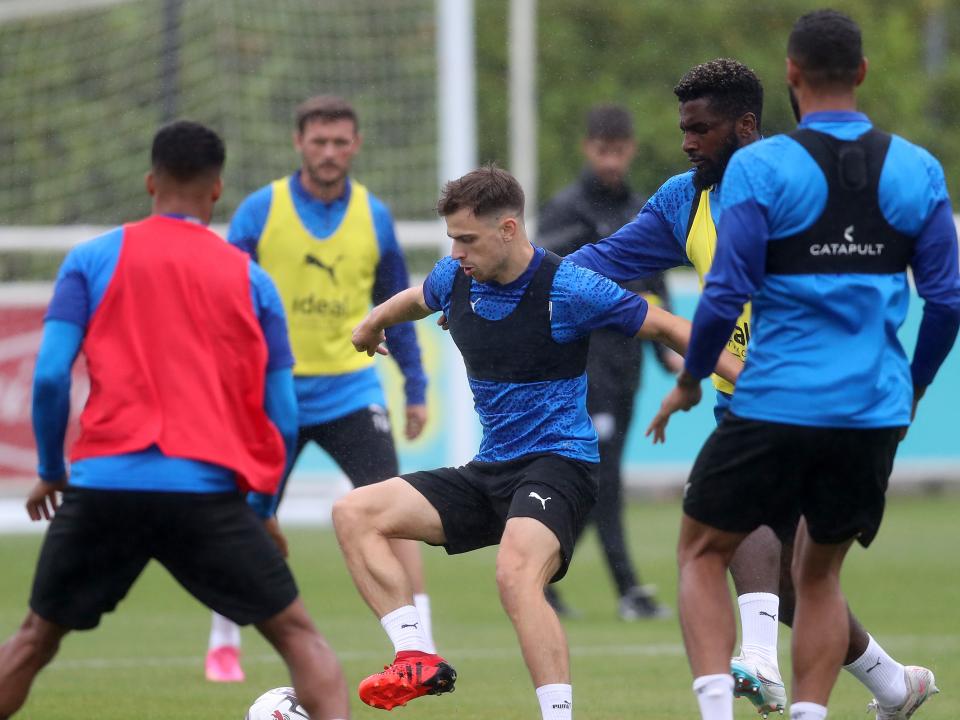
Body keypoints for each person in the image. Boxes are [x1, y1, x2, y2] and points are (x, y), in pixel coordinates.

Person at [568, 57, 940, 719]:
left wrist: (689, 372)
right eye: (683, 128)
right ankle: (891, 684)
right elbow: (602, 261)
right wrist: (518, 278)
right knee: (801, 580)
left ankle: (760, 660)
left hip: (818, 396)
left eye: (701, 130)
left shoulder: (799, 180)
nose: (687, 142)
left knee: (721, 524)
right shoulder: (684, 200)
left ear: (745, 126)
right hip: (754, 398)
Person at [333, 165, 742, 719]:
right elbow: (416, 297)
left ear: (508, 229)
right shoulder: (454, 277)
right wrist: (371, 323)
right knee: (355, 512)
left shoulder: (569, 286)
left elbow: (669, 326)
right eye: (451, 239)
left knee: (515, 573)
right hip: (489, 471)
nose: (455, 252)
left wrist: (756, 382)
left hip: (560, 467)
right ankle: (415, 655)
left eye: (467, 239)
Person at [0, 121, 350, 719]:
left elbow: (53, 376)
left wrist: (55, 471)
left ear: (149, 182)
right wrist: (262, 508)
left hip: (105, 487)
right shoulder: (251, 279)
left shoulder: (90, 260)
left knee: (34, 639)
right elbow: (283, 412)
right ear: (217, 190)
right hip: (205, 494)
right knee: (300, 638)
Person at [205, 95, 434, 682]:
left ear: (355, 145)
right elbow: (224, 303)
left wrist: (414, 385)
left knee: (395, 509)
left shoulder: (374, 216)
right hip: (271, 393)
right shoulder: (261, 211)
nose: (329, 152)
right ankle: (224, 639)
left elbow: (395, 304)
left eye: (340, 142)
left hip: (351, 391)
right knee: (244, 517)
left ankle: (422, 643)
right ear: (298, 143)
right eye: (319, 141)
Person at [538, 103, 678, 620]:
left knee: (597, 478)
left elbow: (657, 284)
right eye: (603, 149)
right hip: (583, 366)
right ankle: (627, 591)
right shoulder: (566, 210)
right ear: (588, 148)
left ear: (631, 148)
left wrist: (668, 348)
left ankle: (540, 577)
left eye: (619, 150)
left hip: (626, 368)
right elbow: (540, 275)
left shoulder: (644, 209)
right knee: (602, 477)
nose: (612, 160)